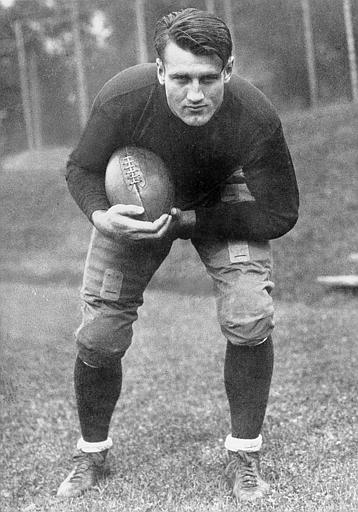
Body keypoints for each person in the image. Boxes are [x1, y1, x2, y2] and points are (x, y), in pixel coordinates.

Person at [57, 8, 299, 503]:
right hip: (137, 199)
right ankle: (91, 452)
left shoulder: (253, 116)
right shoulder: (124, 98)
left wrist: (191, 221)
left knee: (250, 314)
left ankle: (245, 454)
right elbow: (80, 168)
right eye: (182, 77)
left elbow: (280, 212)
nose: (195, 94)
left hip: (220, 196)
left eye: (209, 79)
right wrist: (101, 215)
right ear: (160, 69)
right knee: (100, 334)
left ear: (229, 70)